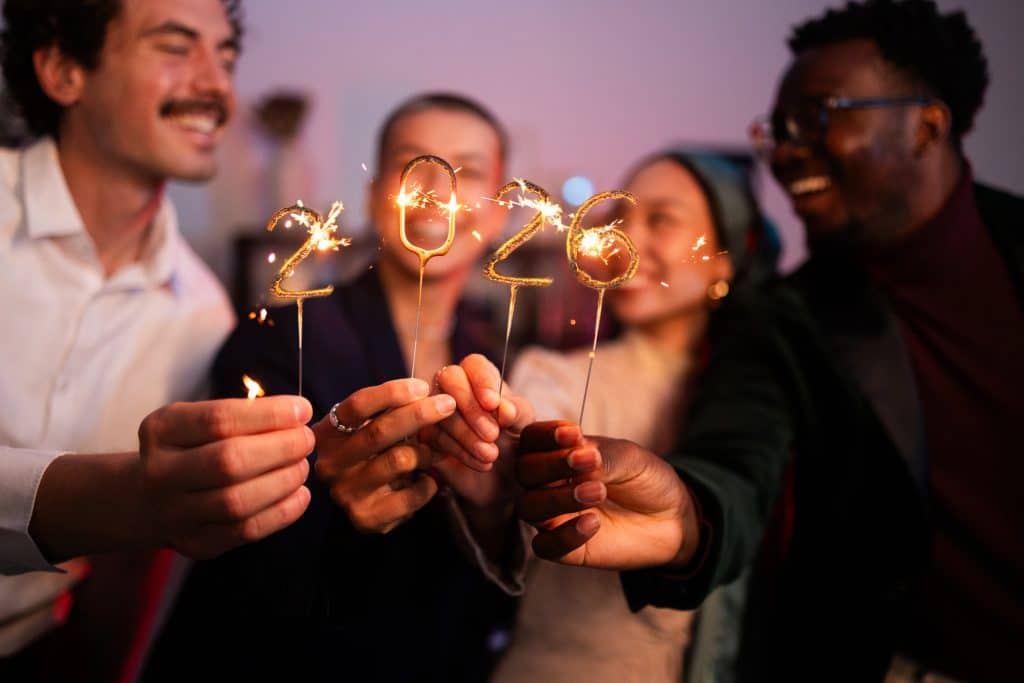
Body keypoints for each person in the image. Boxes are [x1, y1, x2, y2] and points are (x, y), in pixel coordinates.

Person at [510, 1, 1024, 681]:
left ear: (927, 123)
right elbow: (735, 461)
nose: (783, 151)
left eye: (816, 116)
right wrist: (689, 519)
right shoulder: (791, 319)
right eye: (774, 130)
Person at [145, 92, 531, 682]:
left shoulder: (501, 355)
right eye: (413, 166)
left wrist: (493, 506)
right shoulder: (279, 341)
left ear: (500, 210)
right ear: (379, 195)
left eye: (469, 172)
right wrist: (332, 492)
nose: (439, 190)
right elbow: (229, 544)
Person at [0, 0, 316, 679]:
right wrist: (121, 497)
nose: (216, 87)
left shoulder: (204, 315)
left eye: (226, 57)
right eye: (176, 48)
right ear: (62, 70)